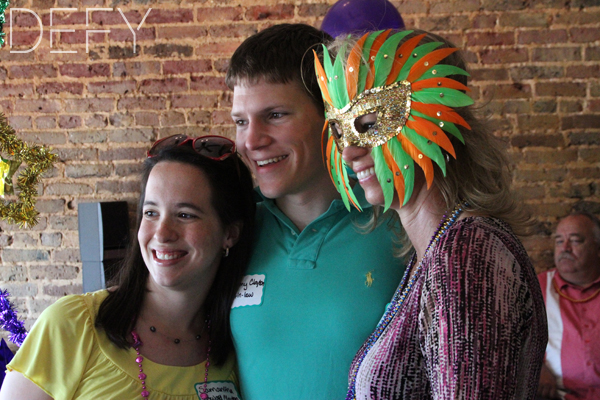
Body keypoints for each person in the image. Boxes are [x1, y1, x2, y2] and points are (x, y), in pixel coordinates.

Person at [315, 29, 548, 399]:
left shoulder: (466, 254)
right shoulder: (436, 250)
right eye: (341, 132)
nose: (349, 154)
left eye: (369, 124)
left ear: (433, 114)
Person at [0, 135, 255, 400]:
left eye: (185, 215)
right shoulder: (74, 324)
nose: (162, 233)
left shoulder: (236, 352)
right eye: (151, 213)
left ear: (230, 234)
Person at [226, 24, 404, 399]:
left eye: (274, 115)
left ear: (330, 115)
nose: (251, 140)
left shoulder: (397, 220)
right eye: (241, 121)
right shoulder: (235, 230)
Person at [537, 212, 600, 400]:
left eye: (575, 241)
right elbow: (513, 340)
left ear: (597, 247)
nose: (564, 248)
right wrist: (538, 368)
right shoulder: (536, 287)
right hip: (557, 396)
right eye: (559, 241)